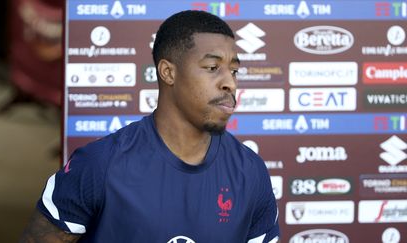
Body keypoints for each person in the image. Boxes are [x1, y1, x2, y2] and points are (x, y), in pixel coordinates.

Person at [20, 10, 280, 243]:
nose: (230, 84)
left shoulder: (251, 172)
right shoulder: (99, 165)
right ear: (168, 72)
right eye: (212, 67)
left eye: (233, 71)